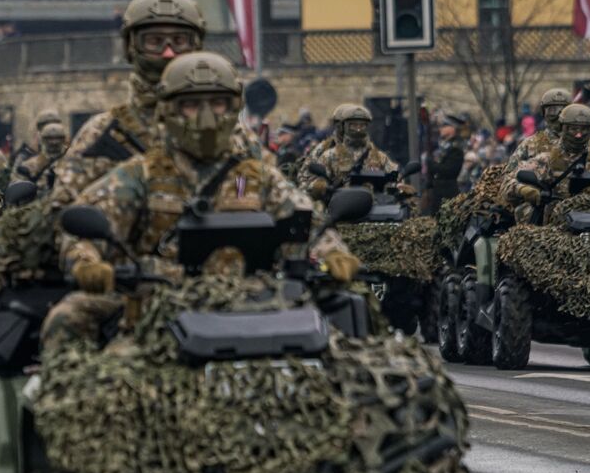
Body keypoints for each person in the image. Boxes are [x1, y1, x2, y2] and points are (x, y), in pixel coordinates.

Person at [46, 52, 357, 348]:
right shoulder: (140, 175)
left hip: (256, 307)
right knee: (69, 319)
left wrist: (333, 254)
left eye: (218, 104)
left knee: (350, 313)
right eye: (192, 105)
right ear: (167, 111)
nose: (207, 117)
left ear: (234, 107)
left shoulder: (250, 177)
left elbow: (306, 222)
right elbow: (83, 224)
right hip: (158, 314)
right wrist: (87, 264)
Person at [50, 0, 212, 208]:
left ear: (196, 46)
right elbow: (64, 211)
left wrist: (237, 200)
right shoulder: (101, 134)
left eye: (179, 41)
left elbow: (247, 181)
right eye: (155, 41)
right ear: (131, 47)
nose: (168, 53)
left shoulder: (229, 133)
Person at [499, 104, 590, 224]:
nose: (579, 134)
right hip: (554, 229)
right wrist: (526, 190)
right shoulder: (546, 161)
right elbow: (508, 182)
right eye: (574, 128)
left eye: (584, 129)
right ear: (563, 128)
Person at [296, 104, 405, 198]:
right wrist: (320, 186)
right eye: (353, 125)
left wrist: (400, 187)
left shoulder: (378, 156)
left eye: (362, 125)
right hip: (339, 209)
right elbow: (306, 181)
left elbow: (395, 179)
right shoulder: (328, 153)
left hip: (375, 211)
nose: (358, 129)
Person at [16, 121, 70, 189]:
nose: (54, 142)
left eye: (58, 138)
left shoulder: (71, 164)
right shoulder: (29, 166)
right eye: (49, 138)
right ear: (43, 140)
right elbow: (19, 189)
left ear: (63, 140)